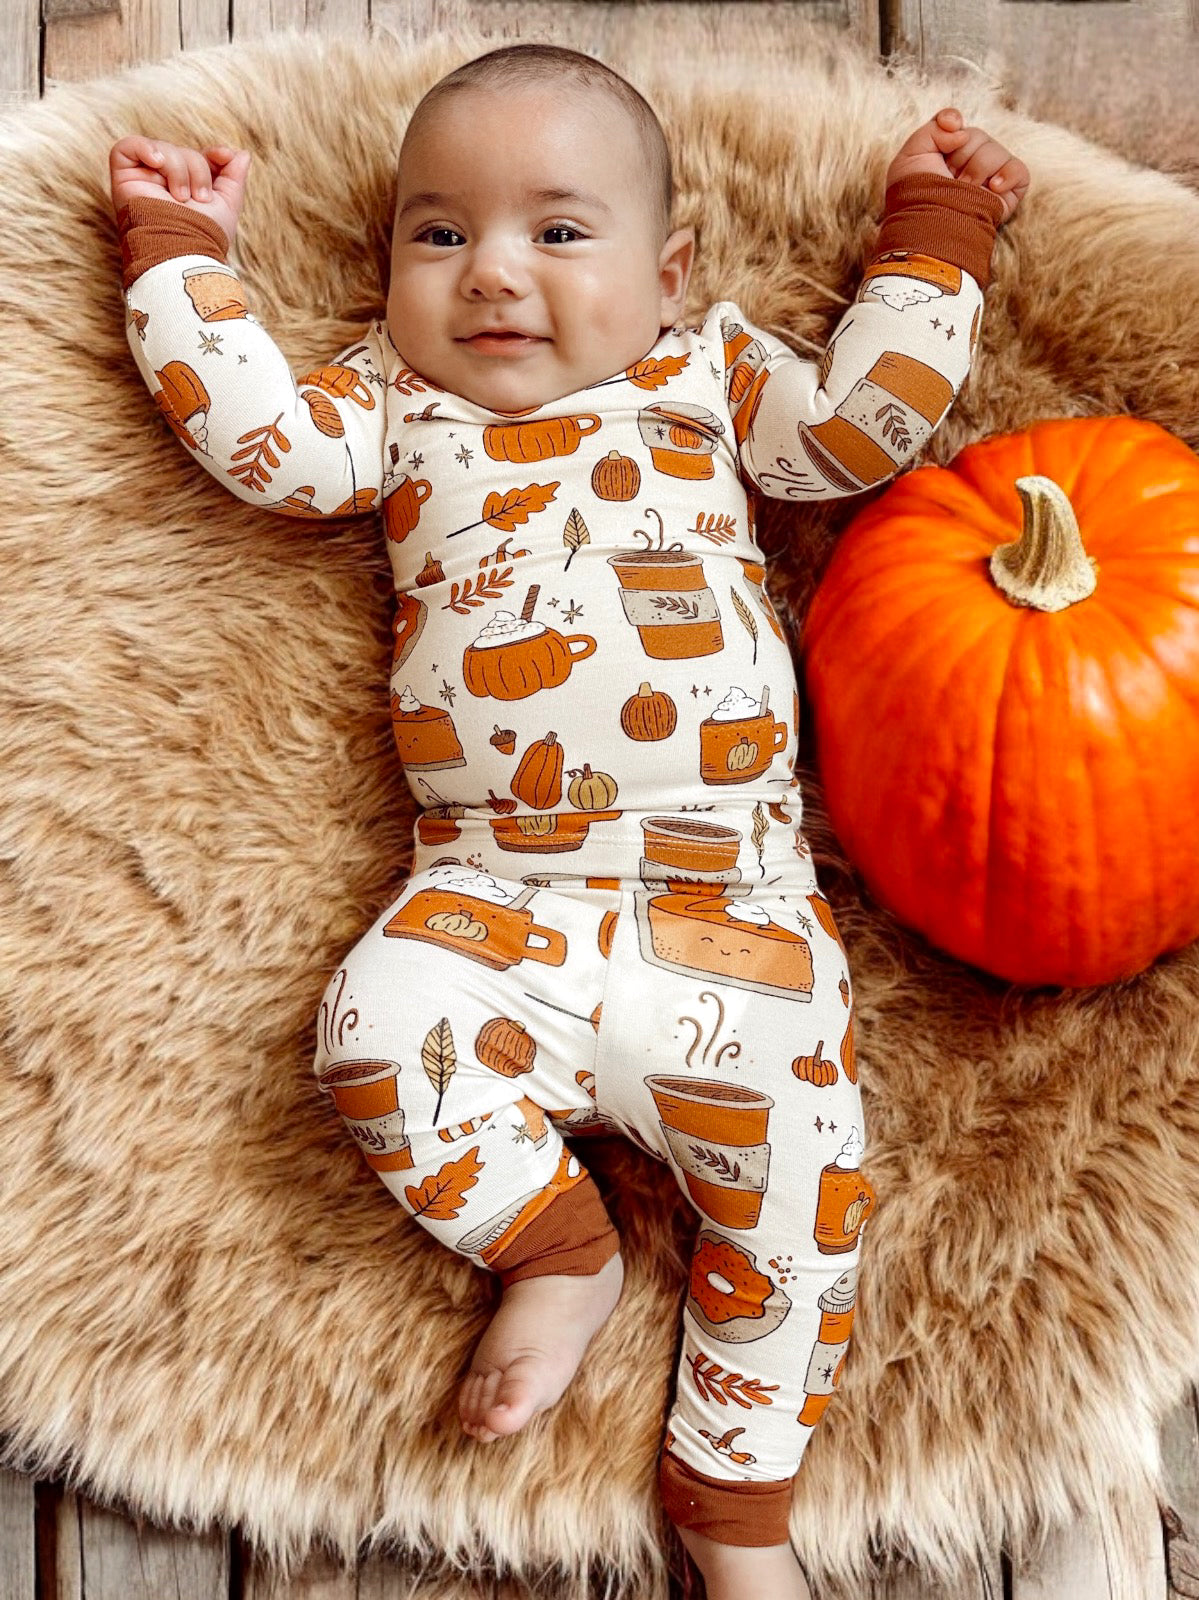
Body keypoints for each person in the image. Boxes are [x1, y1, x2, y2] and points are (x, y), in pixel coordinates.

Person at [108, 41, 1027, 1600]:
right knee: (368, 1036)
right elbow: (260, 442)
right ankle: (555, 1248)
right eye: (440, 233)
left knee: (810, 1196)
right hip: (493, 905)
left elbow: (863, 428)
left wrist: (931, 241)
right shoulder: (392, 404)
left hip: (727, 914)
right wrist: (178, 262)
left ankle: (735, 1510)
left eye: (558, 231)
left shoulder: (708, 373)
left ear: (670, 275)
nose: (492, 279)